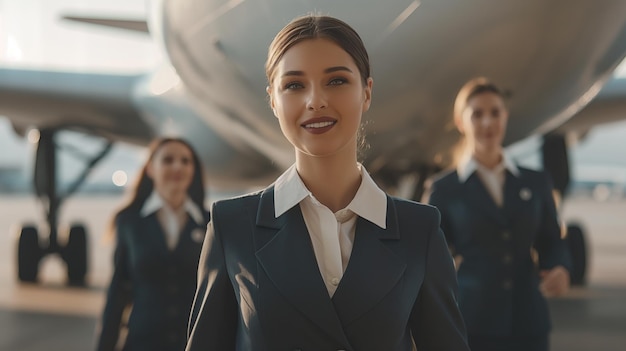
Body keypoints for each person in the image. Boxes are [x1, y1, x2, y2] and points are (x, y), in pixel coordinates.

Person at [185, 14, 469, 351]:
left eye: (336, 81)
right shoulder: (232, 227)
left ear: (366, 92)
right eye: (294, 85)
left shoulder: (419, 231)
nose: (315, 101)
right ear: (273, 101)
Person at [424, 77, 572, 351]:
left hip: (529, 323)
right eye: (477, 114)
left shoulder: (536, 181)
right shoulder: (444, 188)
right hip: (472, 322)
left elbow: (551, 240)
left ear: (505, 117)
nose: (487, 122)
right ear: (461, 122)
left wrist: (560, 266)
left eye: (495, 112)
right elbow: (432, 260)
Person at [96, 137, 210, 351]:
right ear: (150, 169)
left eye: (186, 161)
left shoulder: (211, 223)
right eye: (168, 160)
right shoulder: (129, 221)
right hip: (142, 342)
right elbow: (117, 291)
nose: (178, 166)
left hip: (195, 344)